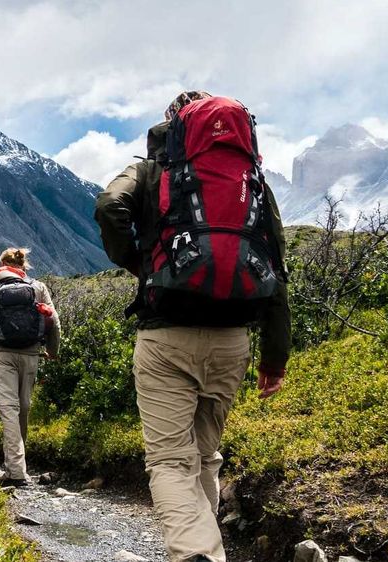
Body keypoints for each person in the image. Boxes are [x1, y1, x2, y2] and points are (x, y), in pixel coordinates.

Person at [94, 91, 291, 562]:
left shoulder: (149, 171)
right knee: (206, 453)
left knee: (168, 460)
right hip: (233, 340)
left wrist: (142, 264)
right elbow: (275, 264)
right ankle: (209, 549)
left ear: (174, 126)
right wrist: (275, 355)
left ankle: (195, 553)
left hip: (166, 335)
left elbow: (108, 207)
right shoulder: (253, 182)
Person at [0, 247, 60, 487]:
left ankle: (16, 472)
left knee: (8, 409)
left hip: (1, 356)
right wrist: (52, 351)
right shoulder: (38, 288)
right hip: (31, 355)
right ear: (24, 265)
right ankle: (19, 465)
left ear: (2, 264)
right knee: (23, 409)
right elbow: (54, 321)